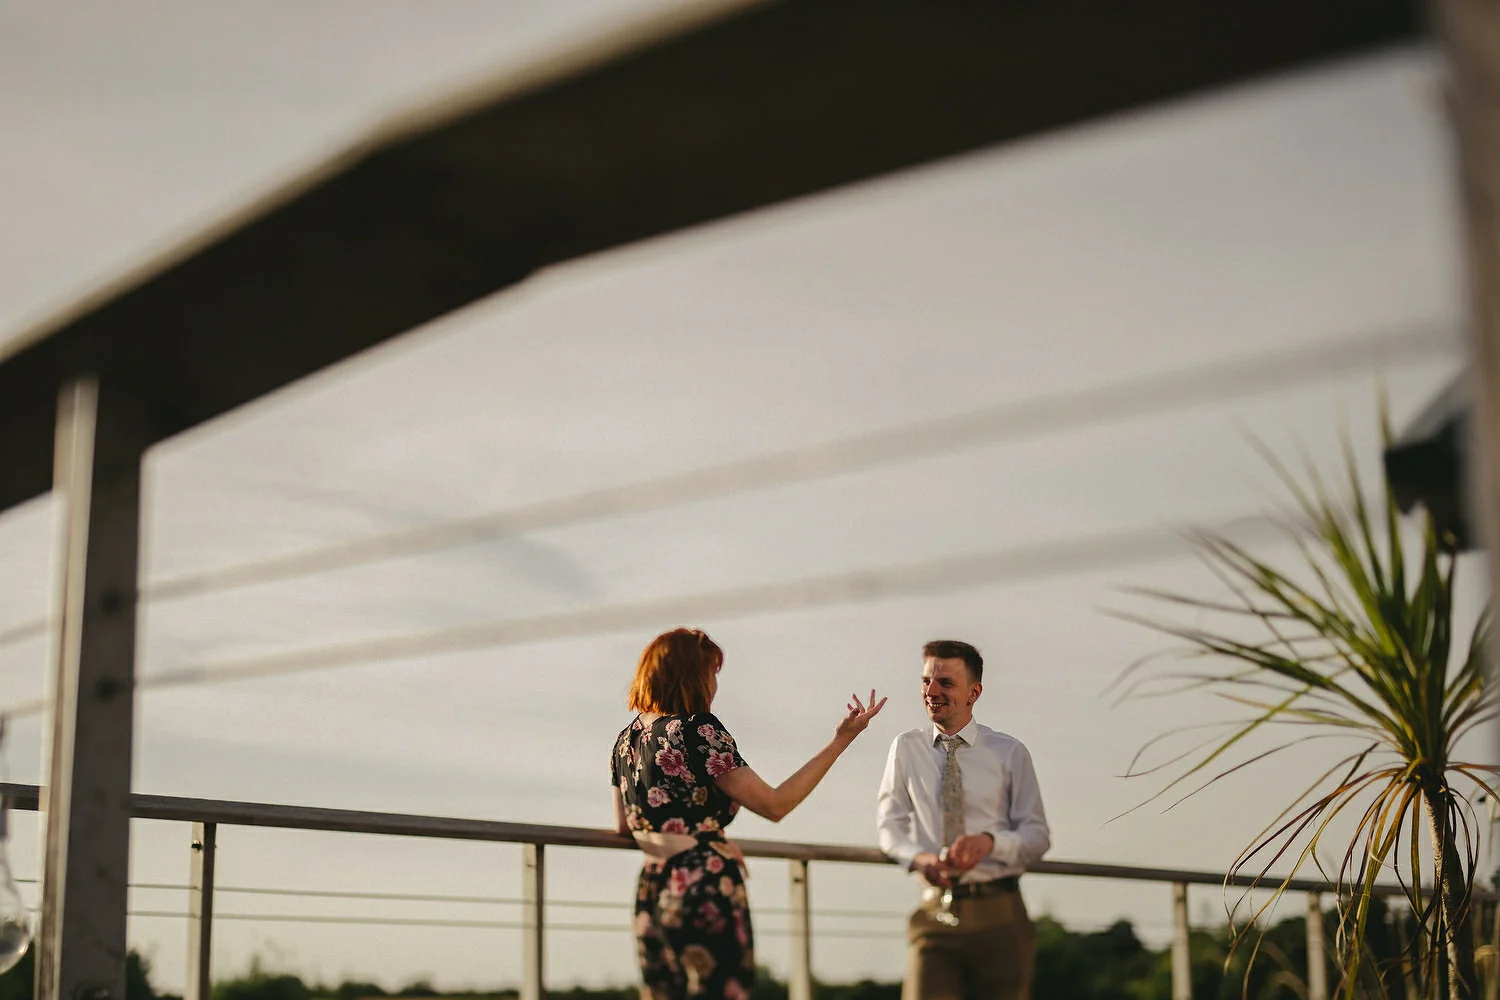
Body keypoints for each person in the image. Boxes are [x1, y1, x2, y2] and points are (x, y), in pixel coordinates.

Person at [612, 627, 885, 1000]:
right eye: (711, 673)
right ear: (692, 674)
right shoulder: (698, 730)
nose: (714, 684)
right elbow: (775, 805)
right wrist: (840, 742)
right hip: (702, 886)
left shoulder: (624, 740)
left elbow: (623, 827)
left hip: (652, 887)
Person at [876, 639, 1051, 1000]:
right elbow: (889, 825)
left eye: (945, 683)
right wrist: (918, 858)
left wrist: (990, 842)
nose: (931, 692)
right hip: (935, 913)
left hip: (1001, 917)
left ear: (974, 692)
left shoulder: (1010, 752)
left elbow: (1037, 835)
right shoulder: (906, 747)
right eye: (926, 681)